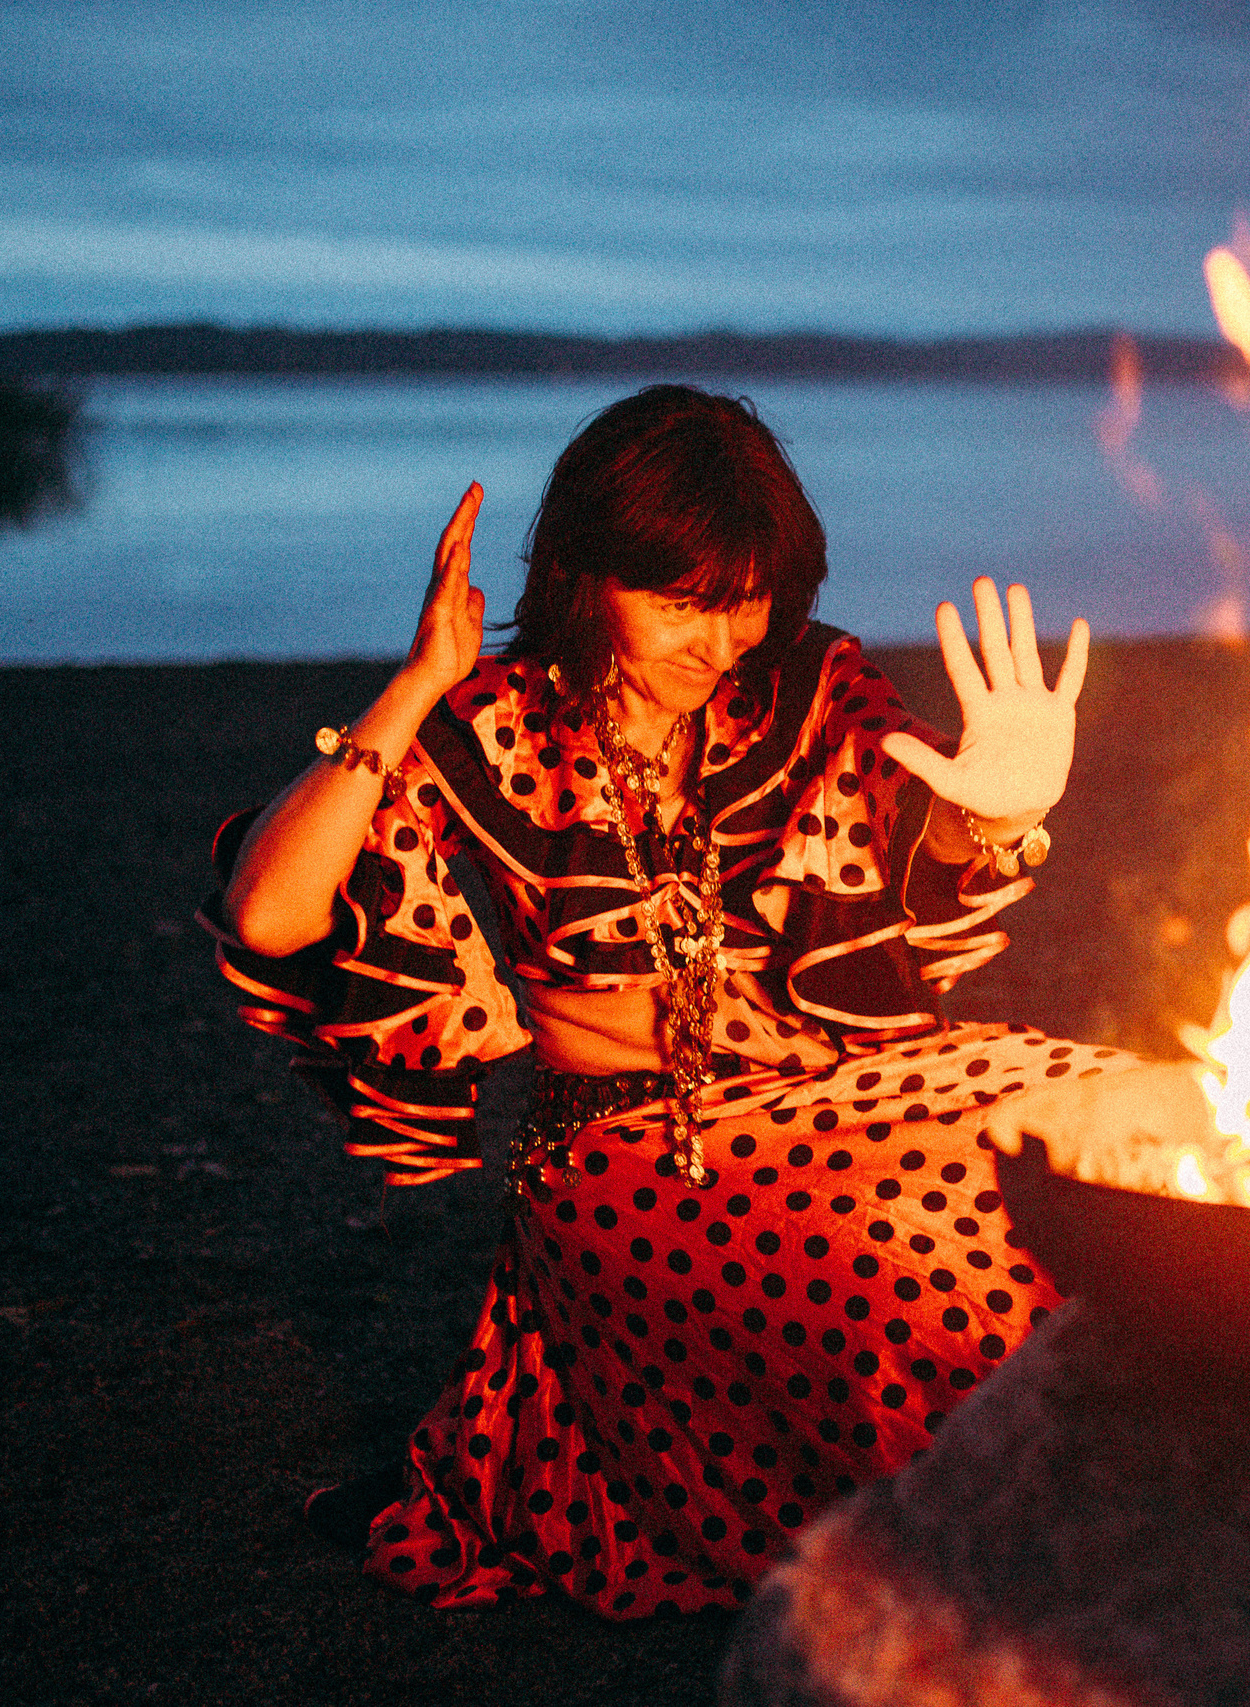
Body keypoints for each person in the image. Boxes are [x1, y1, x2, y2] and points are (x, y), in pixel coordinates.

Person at [203, 384, 1126, 1618]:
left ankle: (1155, 1498)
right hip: (630, 1151)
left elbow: (922, 840)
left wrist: (996, 814)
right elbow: (271, 914)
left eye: (747, 600)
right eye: (684, 602)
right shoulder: (494, 724)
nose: (722, 639)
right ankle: (986, 1554)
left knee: (1109, 1138)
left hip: (848, 1091)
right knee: (915, 1266)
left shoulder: (810, 687)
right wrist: (418, 684)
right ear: (590, 576)